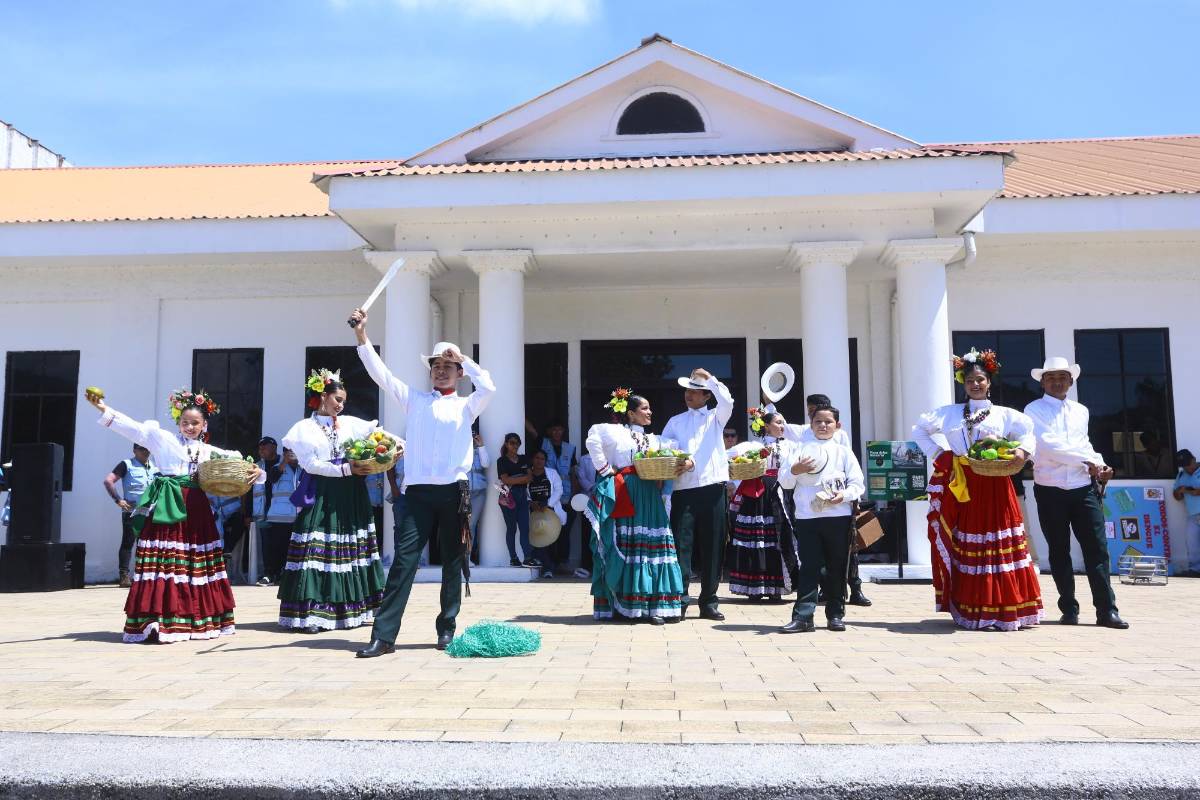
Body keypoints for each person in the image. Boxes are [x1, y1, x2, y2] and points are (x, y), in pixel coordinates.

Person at [352, 308, 494, 656]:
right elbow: (381, 375)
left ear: (459, 373)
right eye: (435, 365)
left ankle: (446, 628)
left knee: (452, 560)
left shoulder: (467, 404)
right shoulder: (414, 400)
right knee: (403, 561)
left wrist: (465, 358)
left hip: (454, 492)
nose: (440, 369)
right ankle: (383, 637)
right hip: (416, 493)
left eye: (447, 365)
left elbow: (489, 385)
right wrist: (362, 337)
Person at [87, 387, 263, 643]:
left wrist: (257, 472)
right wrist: (103, 408)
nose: (189, 427)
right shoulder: (163, 440)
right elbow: (134, 428)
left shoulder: (209, 451)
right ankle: (157, 619)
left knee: (194, 561)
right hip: (168, 503)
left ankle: (196, 621)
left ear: (204, 425)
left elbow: (237, 465)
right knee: (165, 562)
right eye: (184, 422)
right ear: (178, 423)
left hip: (196, 507)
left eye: (195, 423)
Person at [912, 348, 1043, 631]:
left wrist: (1022, 452)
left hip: (996, 485)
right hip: (965, 486)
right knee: (969, 543)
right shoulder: (948, 414)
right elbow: (919, 429)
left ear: (989, 381)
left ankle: (1009, 609)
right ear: (963, 382)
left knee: (998, 544)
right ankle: (973, 610)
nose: (975, 384)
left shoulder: (1005, 415)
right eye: (970, 380)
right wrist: (940, 455)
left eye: (980, 379)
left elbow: (1029, 434)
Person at [278, 369, 388, 633]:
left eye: (343, 400)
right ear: (323, 397)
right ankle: (312, 614)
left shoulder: (351, 423)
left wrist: (397, 446)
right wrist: (344, 469)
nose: (341, 405)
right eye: (337, 399)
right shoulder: (303, 428)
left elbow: (380, 437)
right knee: (317, 548)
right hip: (323, 491)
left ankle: (356, 609)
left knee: (350, 548)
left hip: (351, 494)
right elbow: (310, 464)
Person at [1025, 357, 1128, 628]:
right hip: (1050, 489)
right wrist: (1090, 462)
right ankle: (1068, 608)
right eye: (1051, 377)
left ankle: (1107, 610)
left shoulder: (1081, 410)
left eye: (1062, 376)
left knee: (1097, 549)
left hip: (1083, 488)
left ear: (1071, 381)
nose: (1057, 381)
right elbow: (1048, 447)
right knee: (1059, 550)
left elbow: (1084, 444)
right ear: (1042, 382)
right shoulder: (1033, 409)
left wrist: (1102, 464)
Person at [584, 389, 684, 624]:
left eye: (649, 408)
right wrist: (605, 470)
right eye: (644, 408)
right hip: (625, 490)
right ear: (630, 413)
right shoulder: (615, 432)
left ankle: (653, 607)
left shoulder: (655, 439)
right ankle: (622, 604)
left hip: (649, 492)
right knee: (626, 544)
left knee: (652, 546)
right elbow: (592, 439)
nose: (650, 412)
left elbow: (676, 450)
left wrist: (686, 461)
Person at [778, 405, 864, 632]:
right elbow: (785, 483)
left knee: (836, 566)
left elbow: (857, 484)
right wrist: (795, 470)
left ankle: (835, 614)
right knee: (809, 566)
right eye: (818, 422)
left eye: (828, 422)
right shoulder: (798, 449)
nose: (823, 426)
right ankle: (803, 615)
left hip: (838, 516)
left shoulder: (844, 452)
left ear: (838, 425)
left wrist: (843, 495)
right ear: (811, 424)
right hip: (807, 516)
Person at [662, 368, 734, 621]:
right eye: (687, 391)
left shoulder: (716, 417)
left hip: (713, 489)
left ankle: (709, 601)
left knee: (713, 545)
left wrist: (711, 378)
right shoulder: (675, 421)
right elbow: (665, 448)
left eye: (695, 391)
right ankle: (680, 599)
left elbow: (727, 400)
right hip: (683, 490)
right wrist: (678, 460)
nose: (689, 395)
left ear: (706, 396)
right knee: (681, 545)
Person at [728, 409, 796, 601]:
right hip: (758, 494)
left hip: (781, 492)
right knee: (756, 539)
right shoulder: (753, 446)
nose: (782, 426)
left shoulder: (791, 446)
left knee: (778, 538)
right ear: (766, 426)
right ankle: (754, 588)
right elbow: (726, 454)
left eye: (783, 423)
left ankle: (777, 587)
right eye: (778, 423)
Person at [103, 444, 159, 588]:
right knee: (128, 542)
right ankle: (124, 576)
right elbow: (108, 481)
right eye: (141, 449)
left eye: (147, 449)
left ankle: (143, 575)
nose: (145, 452)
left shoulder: (155, 467)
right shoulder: (126, 464)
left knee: (147, 544)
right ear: (134, 450)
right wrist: (118, 500)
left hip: (151, 511)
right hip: (132, 511)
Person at [251, 438, 300, 587]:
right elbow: (272, 478)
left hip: (293, 516)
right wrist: (284, 462)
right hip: (272, 515)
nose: (291, 455)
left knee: (286, 547)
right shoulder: (276, 467)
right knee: (269, 546)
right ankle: (269, 574)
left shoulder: (302, 468)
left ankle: (282, 575)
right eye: (288, 453)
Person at [541, 420, 579, 574]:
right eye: (554, 429)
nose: (557, 433)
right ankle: (549, 563)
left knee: (565, 530)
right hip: (548, 495)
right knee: (549, 530)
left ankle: (562, 562)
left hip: (566, 495)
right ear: (549, 431)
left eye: (559, 429)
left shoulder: (569, 448)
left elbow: (572, 473)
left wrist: (574, 495)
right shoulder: (543, 444)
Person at [498, 433, 536, 567]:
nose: (514, 445)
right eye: (511, 443)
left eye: (517, 443)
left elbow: (530, 478)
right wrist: (521, 478)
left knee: (525, 528)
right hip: (509, 496)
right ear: (506, 444)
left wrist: (514, 479)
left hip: (522, 495)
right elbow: (505, 480)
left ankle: (527, 557)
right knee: (511, 528)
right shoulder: (501, 460)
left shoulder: (524, 458)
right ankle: (513, 558)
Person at [528, 449, 566, 578]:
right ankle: (544, 566)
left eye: (542, 459)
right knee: (537, 538)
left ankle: (549, 567)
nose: (539, 461)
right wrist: (531, 503)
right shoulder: (528, 474)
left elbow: (559, 489)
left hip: (550, 510)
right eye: (537, 458)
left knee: (551, 540)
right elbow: (525, 492)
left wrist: (548, 503)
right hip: (534, 512)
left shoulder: (552, 473)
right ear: (533, 459)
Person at [1174, 449, 1200, 577]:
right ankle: (1195, 570)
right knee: (1191, 543)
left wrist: (1187, 490)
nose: (1187, 468)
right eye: (1184, 466)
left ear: (1194, 459)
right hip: (1193, 515)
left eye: (1188, 464)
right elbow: (1177, 495)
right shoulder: (1181, 475)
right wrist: (1179, 492)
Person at [573, 451, 597, 578]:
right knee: (588, 533)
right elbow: (581, 477)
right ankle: (587, 565)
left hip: (604, 500)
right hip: (588, 499)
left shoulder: (608, 456)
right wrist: (594, 488)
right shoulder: (583, 459)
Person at [468, 430, 489, 565]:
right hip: (462, 491)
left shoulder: (479, 450)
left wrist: (481, 446)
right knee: (459, 525)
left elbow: (486, 463)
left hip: (479, 491)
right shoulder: (458, 448)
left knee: (472, 525)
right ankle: (458, 557)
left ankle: (467, 556)